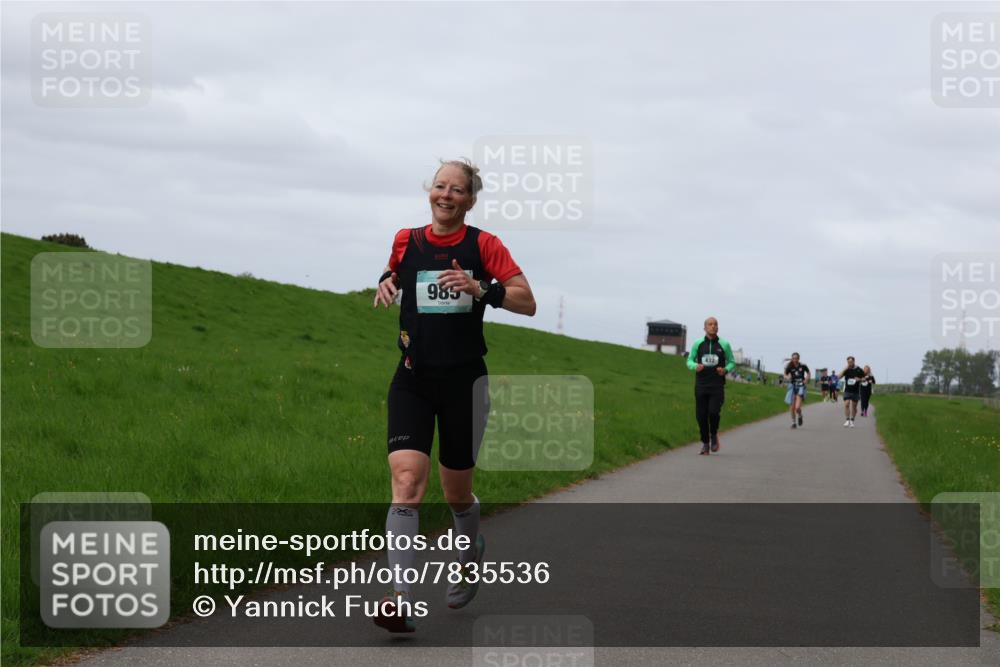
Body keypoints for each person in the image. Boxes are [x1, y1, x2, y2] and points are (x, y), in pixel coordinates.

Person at [371, 159, 536, 632]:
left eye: (457, 189)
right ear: (430, 191)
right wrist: (386, 281)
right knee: (407, 481)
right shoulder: (406, 239)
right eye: (440, 186)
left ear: (470, 199)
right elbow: (396, 271)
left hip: (465, 384)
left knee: (456, 493)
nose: (446, 195)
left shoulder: (484, 245)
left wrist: (481, 288)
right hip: (413, 378)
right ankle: (400, 598)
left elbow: (527, 302)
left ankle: (468, 556)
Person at [686, 317, 736, 455]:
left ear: (718, 328)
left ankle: (713, 434)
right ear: (705, 327)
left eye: (715, 324)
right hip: (701, 385)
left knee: (713, 412)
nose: (713, 326)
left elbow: (732, 362)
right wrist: (695, 366)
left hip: (717, 385)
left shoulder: (724, 344)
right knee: (701, 416)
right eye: (710, 324)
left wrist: (725, 370)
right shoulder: (698, 343)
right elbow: (689, 360)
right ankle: (705, 443)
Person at [784, 353, 810, 429]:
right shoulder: (790, 366)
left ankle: (800, 415)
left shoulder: (803, 366)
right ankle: (793, 423)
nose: (795, 360)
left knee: (797, 407)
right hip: (792, 387)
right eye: (793, 358)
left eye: (796, 358)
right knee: (792, 407)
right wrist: (787, 377)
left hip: (801, 387)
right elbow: (785, 374)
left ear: (799, 359)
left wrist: (806, 379)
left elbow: (808, 373)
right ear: (792, 359)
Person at [840, 356, 865, 427]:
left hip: (855, 391)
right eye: (848, 362)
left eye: (851, 362)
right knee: (846, 404)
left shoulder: (859, 369)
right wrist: (845, 369)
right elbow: (839, 377)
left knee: (854, 407)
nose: (849, 363)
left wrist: (859, 379)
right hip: (847, 390)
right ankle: (847, 420)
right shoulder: (846, 369)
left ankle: (852, 420)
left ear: (854, 361)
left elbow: (864, 379)